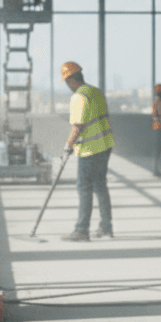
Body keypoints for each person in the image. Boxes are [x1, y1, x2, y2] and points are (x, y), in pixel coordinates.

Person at [60, 61, 115, 241]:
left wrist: (68, 146)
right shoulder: (96, 92)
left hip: (90, 151)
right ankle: (106, 228)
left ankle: (82, 230)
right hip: (105, 146)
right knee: (100, 186)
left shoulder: (79, 97)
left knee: (84, 189)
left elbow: (78, 127)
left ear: (70, 80)